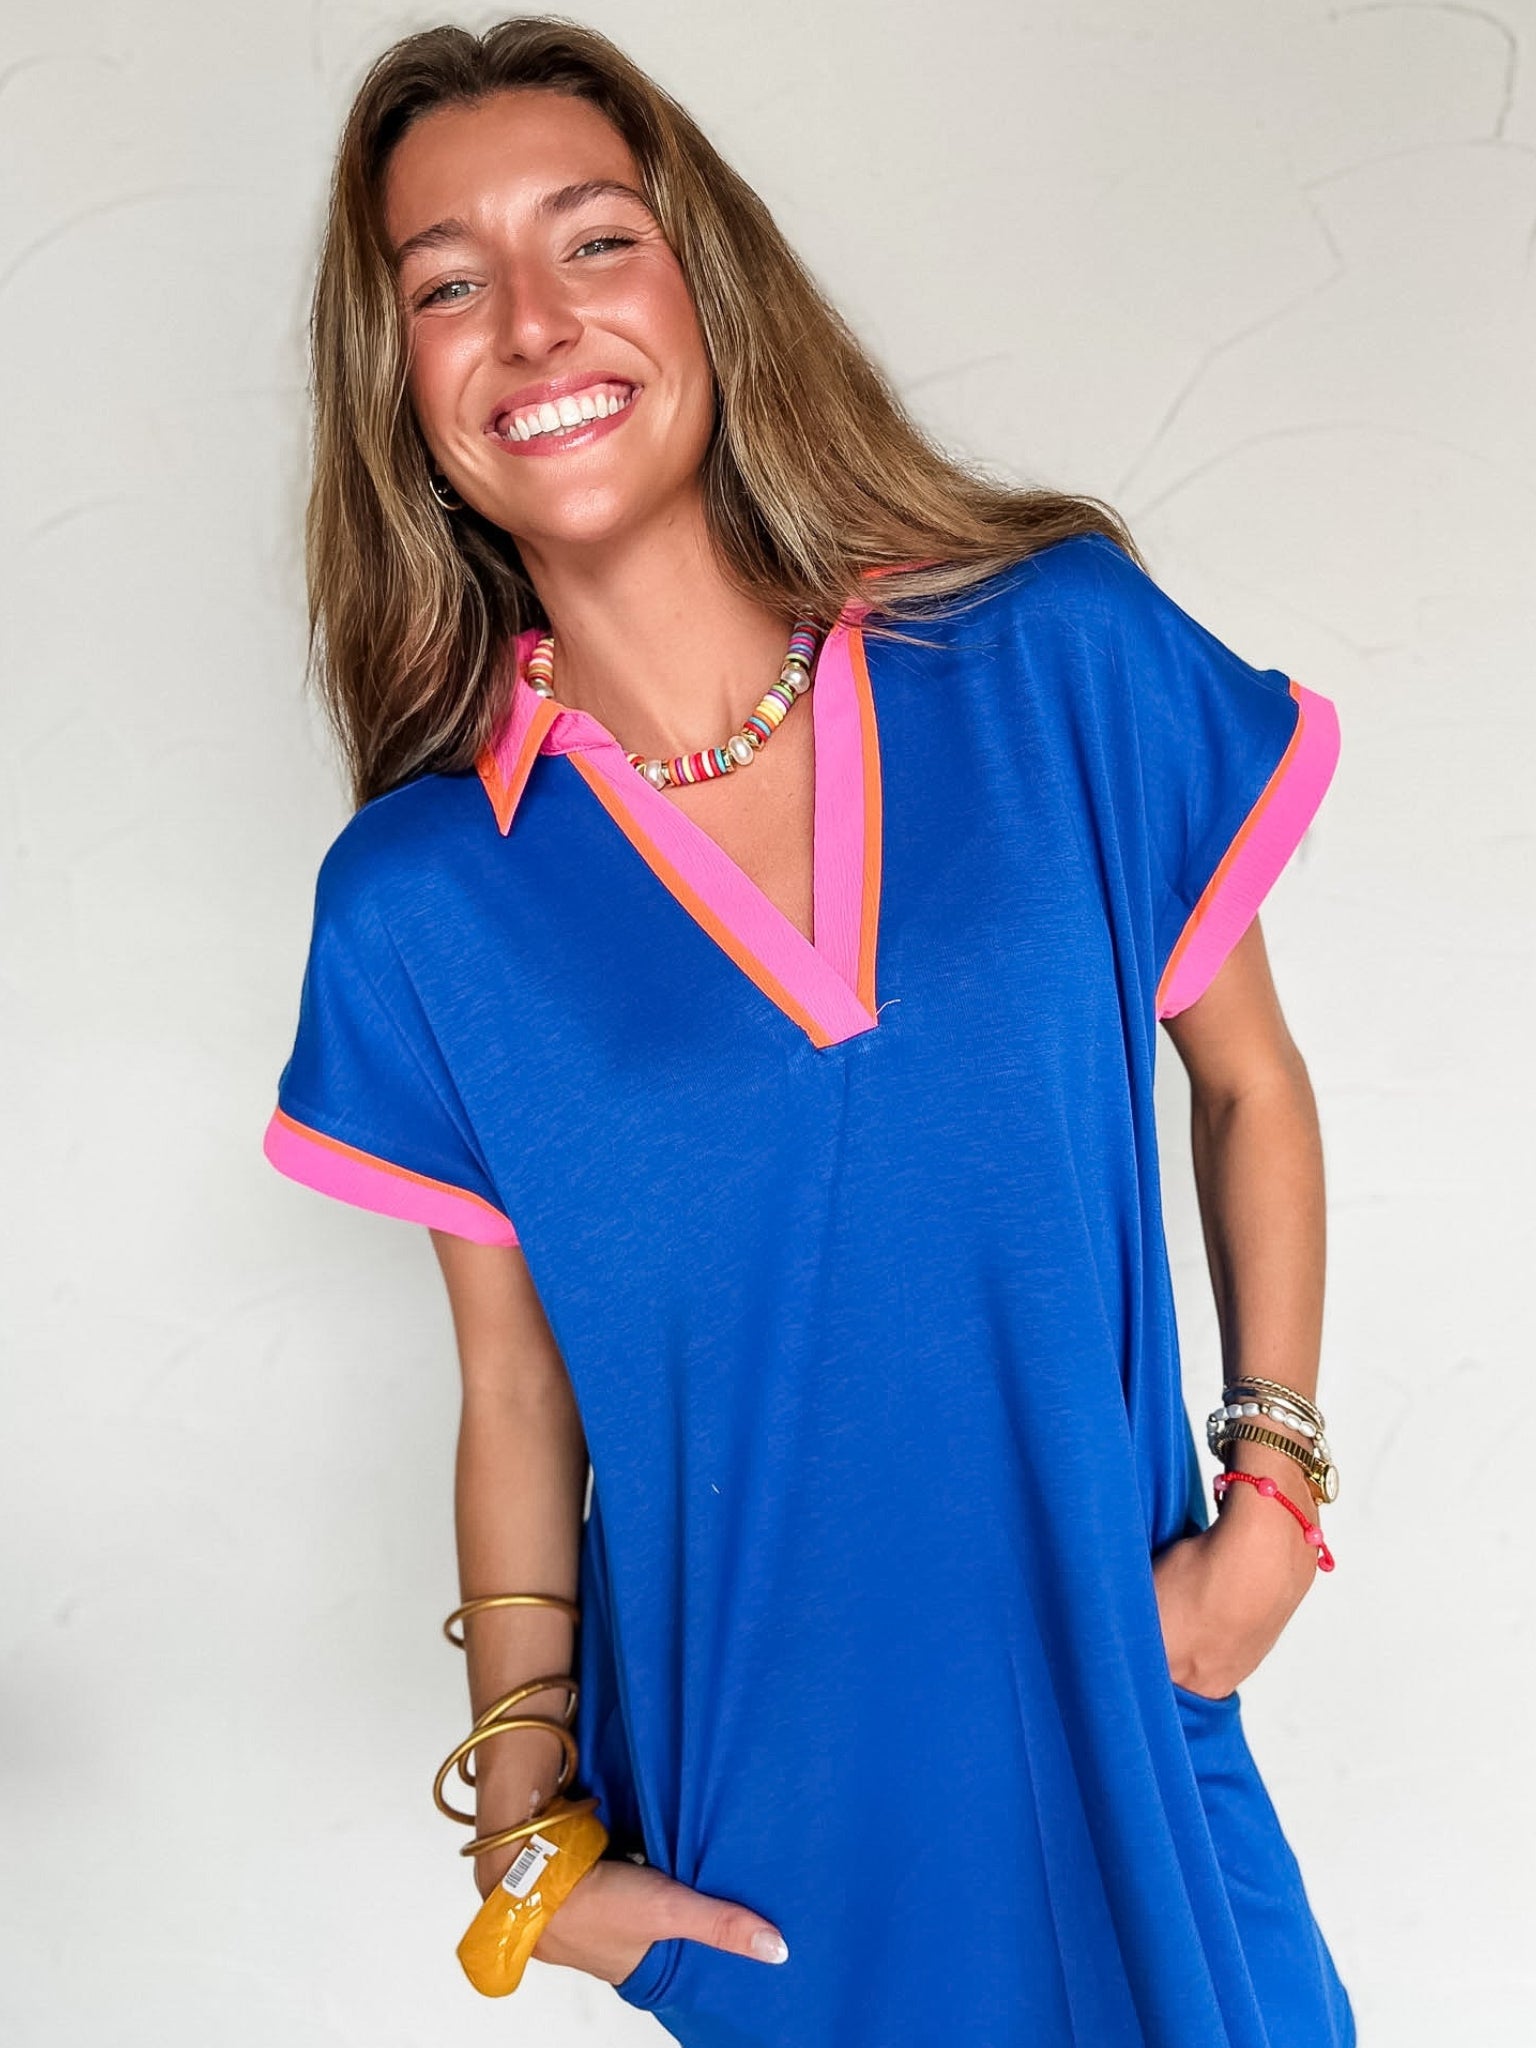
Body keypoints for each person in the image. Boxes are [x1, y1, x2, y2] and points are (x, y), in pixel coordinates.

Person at [262, 17, 1357, 2045]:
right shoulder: (423, 905)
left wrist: (1268, 1516)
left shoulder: (1051, 656)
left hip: (1136, 1736)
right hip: (777, 1855)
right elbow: (515, 1397)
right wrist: (525, 1841)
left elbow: (1250, 1078)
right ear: (399, 386)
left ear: (703, 281)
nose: (530, 320)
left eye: (593, 240)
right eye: (445, 281)